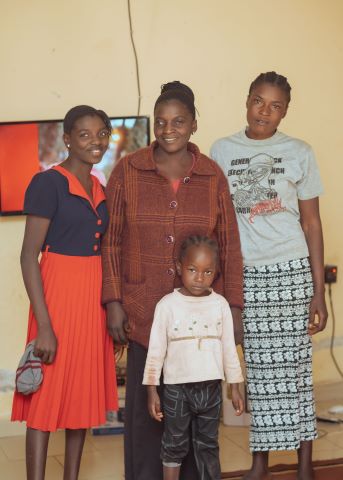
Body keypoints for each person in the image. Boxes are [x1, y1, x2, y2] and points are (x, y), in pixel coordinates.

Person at [102, 81, 244, 480]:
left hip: (200, 327)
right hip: (143, 316)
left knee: (197, 429)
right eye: (161, 122)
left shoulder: (212, 177)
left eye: (178, 121)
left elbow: (230, 247)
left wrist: (233, 308)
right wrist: (113, 300)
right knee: (148, 426)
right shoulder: (127, 171)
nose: (168, 129)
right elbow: (110, 242)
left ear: (194, 125)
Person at [210, 71, 328, 480]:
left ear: (285, 112)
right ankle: (259, 463)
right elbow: (220, 224)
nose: (265, 111)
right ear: (247, 100)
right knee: (257, 373)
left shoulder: (300, 151)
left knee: (297, 372)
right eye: (259, 101)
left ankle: (305, 464)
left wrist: (319, 294)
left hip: (292, 272)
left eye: (275, 106)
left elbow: (312, 224)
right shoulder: (222, 150)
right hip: (249, 276)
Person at [12, 105, 118, 480]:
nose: (96, 142)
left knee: (82, 396)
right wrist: (44, 325)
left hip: (92, 300)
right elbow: (28, 257)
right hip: (56, 296)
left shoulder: (100, 188)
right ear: (68, 138)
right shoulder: (48, 183)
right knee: (44, 396)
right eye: (85, 134)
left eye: (102, 133)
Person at [143, 235, 245, 480]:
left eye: (207, 272)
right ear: (179, 267)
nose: (199, 278)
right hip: (177, 391)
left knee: (208, 444)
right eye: (192, 269)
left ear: (216, 273)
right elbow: (156, 351)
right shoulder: (167, 305)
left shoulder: (220, 305)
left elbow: (229, 349)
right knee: (174, 443)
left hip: (211, 389)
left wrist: (236, 386)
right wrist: (152, 390)